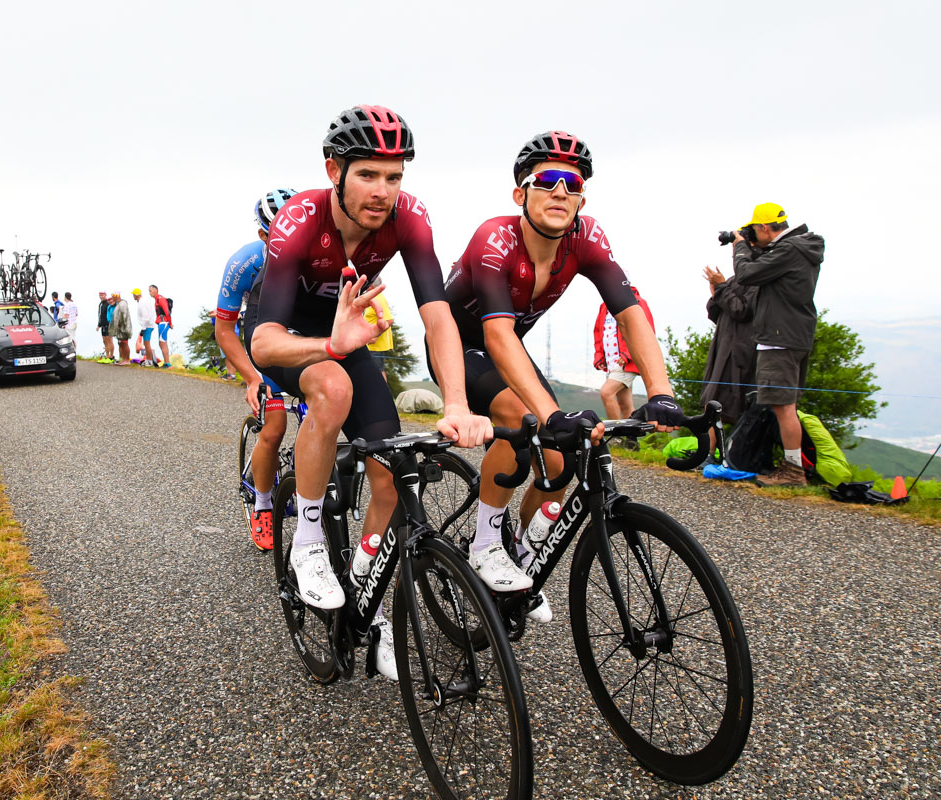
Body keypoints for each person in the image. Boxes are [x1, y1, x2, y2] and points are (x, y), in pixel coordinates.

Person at [248, 106, 491, 680]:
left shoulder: (408, 217)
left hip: (345, 332)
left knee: (391, 468)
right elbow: (262, 343)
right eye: (368, 175)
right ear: (334, 169)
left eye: (395, 175)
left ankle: (369, 595)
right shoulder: (299, 218)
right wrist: (328, 347)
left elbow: (438, 316)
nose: (384, 191)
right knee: (331, 386)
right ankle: (307, 540)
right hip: (290, 336)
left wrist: (455, 401)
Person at [433, 130, 684, 621]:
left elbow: (631, 313)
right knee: (521, 415)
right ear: (520, 193)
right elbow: (499, 336)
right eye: (546, 180)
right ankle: (485, 542)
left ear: (582, 199)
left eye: (572, 184)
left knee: (564, 455)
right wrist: (548, 413)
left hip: (505, 347)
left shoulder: (586, 237)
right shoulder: (495, 237)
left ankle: (521, 548)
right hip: (463, 346)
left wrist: (662, 392)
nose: (560, 192)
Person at [215, 188, 296, 549]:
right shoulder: (245, 262)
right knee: (275, 425)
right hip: (260, 334)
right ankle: (263, 506)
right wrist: (251, 376)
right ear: (263, 234)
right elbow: (223, 330)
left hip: (297, 332)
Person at [731, 203, 825, 487]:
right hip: (796, 334)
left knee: (782, 406)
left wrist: (740, 247)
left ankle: (793, 472)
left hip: (778, 337)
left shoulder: (789, 250)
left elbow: (746, 274)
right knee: (787, 405)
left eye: (754, 230)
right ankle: (791, 465)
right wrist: (752, 246)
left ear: (763, 227)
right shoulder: (800, 248)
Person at [701, 266, 759, 426]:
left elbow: (740, 310)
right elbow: (715, 314)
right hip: (722, 346)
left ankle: (736, 449)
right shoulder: (733, 280)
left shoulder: (759, 281)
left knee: (740, 405)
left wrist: (721, 287)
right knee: (712, 401)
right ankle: (709, 450)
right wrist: (715, 293)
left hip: (743, 349)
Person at [593, 286, 655, 420]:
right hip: (611, 362)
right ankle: (631, 439)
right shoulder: (604, 306)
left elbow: (646, 331)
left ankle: (616, 436)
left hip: (627, 362)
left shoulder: (637, 303)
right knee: (625, 404)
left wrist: (628, 354)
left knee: (606, 393)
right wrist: (599, 357)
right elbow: (598, 332)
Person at [148, 285, 172, 367]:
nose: (149, 293)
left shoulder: (161, 299)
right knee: (161, 343)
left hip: (163, 323)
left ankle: (167, 363)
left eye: (150, 291)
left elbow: (167, 312)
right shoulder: (156, 300)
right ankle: (166, 362)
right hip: (161, 323)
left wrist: (170, 323)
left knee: (163, 343)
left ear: (155, 290)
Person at [135, 288, 157, 365]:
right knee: (146, 343)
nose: (133, 297)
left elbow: (146, 316)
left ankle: (149, 361)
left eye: (134, 295)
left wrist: (143, 328)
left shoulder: (142, 303)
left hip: (147, 325)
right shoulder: (143, 301)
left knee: (147, 343)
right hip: (148, 325)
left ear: (136, 295)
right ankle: (148, 360)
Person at [109, 292, 132, 363]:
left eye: (113, 297)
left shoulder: (122, 304)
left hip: (123, 328)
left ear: (116, 296)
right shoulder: (118, 304)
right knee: (121, 344)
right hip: (119, 328)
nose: (112, 298)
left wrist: (123, 327)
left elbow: (124, 316)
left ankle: (126, 360)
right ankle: (123, 359)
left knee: (124, 343)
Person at [96, 291, 114, 361]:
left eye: (102, 295)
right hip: (103, 324)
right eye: (100, 295)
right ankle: (107, 356)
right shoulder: (101, 304)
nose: (101, 296)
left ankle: (111, 356)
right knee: (105, 341)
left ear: (105, 295)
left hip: (108, 324)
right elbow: (100, 315)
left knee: (109, 340)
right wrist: (99, 325)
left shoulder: (108, 303)